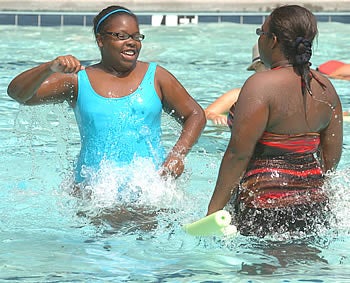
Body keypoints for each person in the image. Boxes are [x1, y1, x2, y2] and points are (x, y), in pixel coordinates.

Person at [7, 5, 206, 189]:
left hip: (150, 186)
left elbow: (195, 114)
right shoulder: (78, 80)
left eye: (137, 36)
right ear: (100, 40)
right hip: (93, 190)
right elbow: (19, 94)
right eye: (121, 35)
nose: (132, 42)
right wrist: (48, 68)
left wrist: (177, 155)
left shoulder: (156, 76)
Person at [206, 5, 343, 237]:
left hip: (262, 205)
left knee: (262, 272)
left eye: (261, 32)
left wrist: (212, 212)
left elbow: (238, 154)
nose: (260, 38)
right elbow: (331, 160)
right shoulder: (326, 88)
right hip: (314, 207)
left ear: (273, 40)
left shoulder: (260, 85)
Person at [205, 43, 268, 125]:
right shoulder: (238, 95)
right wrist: (215, 117)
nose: (274, 69)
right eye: (267, 64)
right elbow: (206, 113)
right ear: (256, 66)